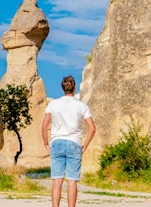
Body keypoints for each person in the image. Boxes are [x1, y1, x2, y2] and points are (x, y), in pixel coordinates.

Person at [41, 75, 95, 207]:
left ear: (62, 88)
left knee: (57, 181)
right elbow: (92, 128)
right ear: (74, 87)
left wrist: (46, 143)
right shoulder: (82, 106)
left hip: (57, 143)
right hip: (74, 144)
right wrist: (84, 146)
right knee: (72, 182)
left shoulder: (53, 104)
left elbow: (44, 126)